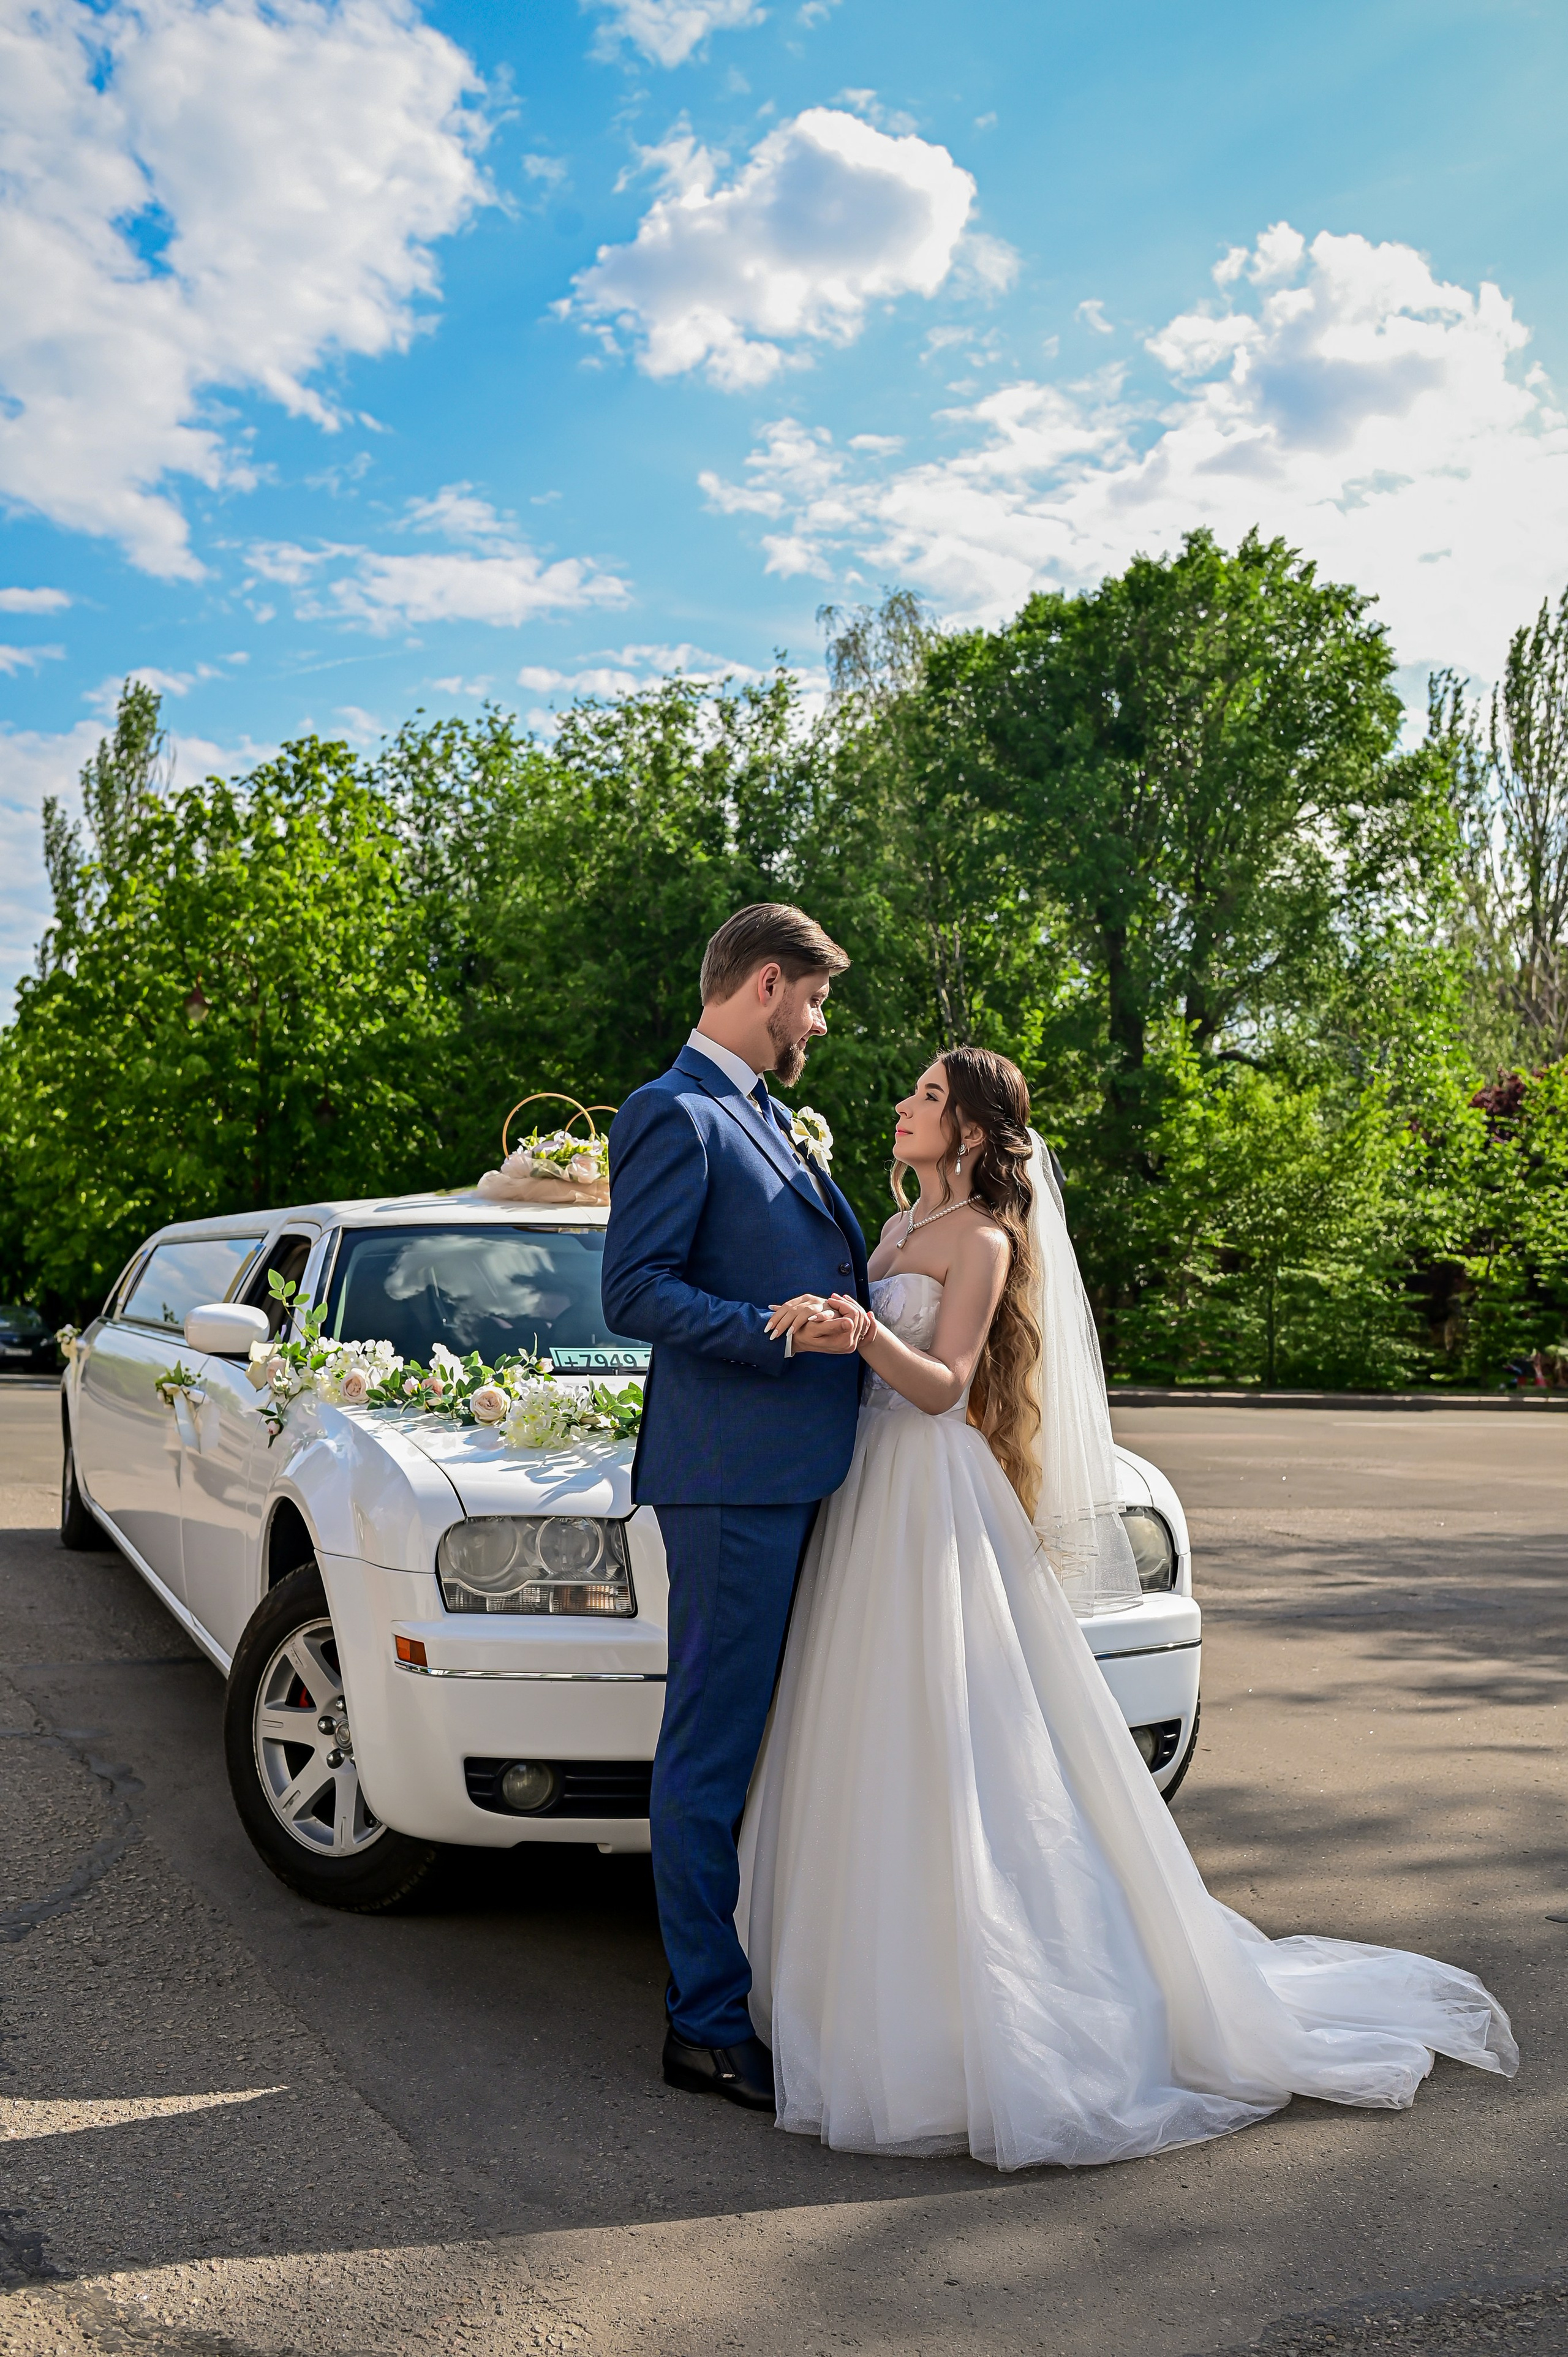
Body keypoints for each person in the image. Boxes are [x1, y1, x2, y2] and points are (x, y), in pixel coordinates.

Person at [742, 1046, 1517, 2168]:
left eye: (925, 1097)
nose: (904, 1107)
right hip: (866, 1489)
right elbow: (881, 1362)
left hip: (930, 1495)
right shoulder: (898, 1232)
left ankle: (991, 2010)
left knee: (957, 1740)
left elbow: (949, 1384)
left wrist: (867, 1333)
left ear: (967, 1131)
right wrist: (832, 1320)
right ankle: (860, 1986)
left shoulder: (984, 1241)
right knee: (867, 1729)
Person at [602, 903, 870, 2111]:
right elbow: (636, 1290)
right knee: (708, 1747)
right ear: (767, 984)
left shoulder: (763, 1114)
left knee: (771, 1739)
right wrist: (775, 1332)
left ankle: (761, 1983)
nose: (814, 1024)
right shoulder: (674, 1112)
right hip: (728, 1482)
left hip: (797, 1470)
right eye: (811, 1001)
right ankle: (702, 2023)